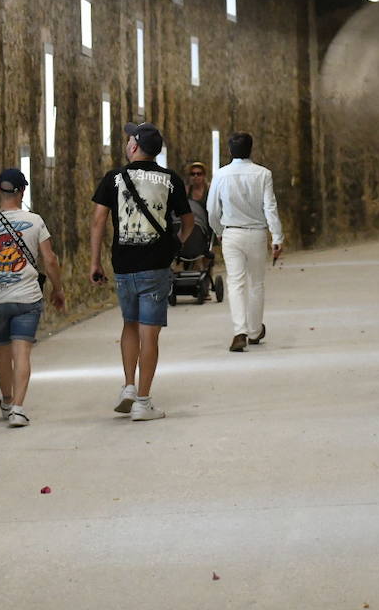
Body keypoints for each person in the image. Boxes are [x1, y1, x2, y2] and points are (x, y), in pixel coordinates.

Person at [89, 122, 193, 421]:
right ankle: (143, 402)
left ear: (134, 146)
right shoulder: (170, 180)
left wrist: (95, 262)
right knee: (151, 334)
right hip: (156, 265)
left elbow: (98, 222)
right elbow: (188, 222)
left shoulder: (114, 178)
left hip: (124, 264)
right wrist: (176, 246)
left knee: (129, 324)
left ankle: (129, 387)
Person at [0, 167, 65, 428]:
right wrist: (58, 288)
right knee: (23, 352)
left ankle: (6, 400)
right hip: (27, 298)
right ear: (22, 191)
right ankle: (18, 408)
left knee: (2, 352)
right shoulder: (36, 221)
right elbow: (49, 260)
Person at [207, 132, 284, 352]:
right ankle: (254, 330)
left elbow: (212, 210)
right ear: (251, 149)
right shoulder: (263, 174)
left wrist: (219, 230)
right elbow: (270, 207)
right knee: (256, 283)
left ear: (230, 151)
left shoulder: (220, 175)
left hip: (231, 233)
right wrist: (277, 236)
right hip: (257, 233)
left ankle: (239, 330)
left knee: (236, 282)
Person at [186, 161, 210, 234]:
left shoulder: (209, 190)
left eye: (199, 174)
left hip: (205, 226)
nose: (195, 176)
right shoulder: (186, 191)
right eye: (192, 174)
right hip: (189, 225)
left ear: (204, 176)